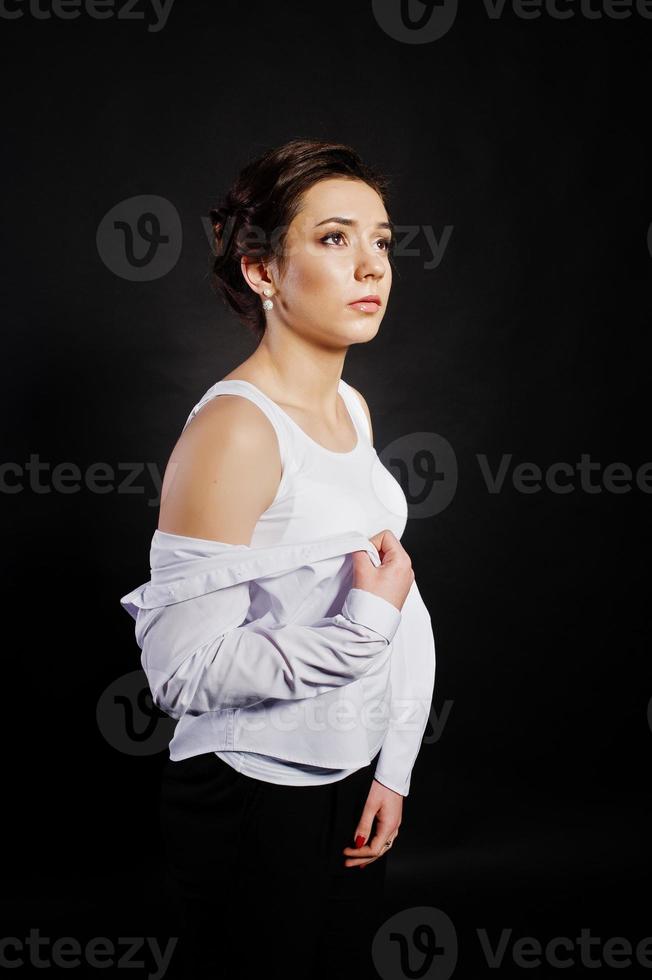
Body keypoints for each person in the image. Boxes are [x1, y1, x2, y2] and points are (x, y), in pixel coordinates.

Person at [155, 138, 427, 979]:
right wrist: (361, 631)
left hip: (349, 778)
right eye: (335, 238)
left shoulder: (351, 404)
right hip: (253, 798)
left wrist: (394, 765)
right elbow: (181, 673)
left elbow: (398, 593)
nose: (371, 266)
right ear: (262, 272)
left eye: (380, 241)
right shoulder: (234, 431)